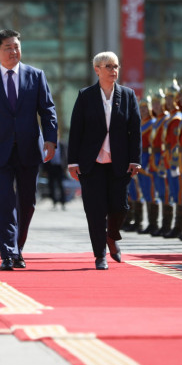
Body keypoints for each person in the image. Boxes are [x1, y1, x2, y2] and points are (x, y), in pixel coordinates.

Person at [0, 29, 57, 271]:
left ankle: (17, 247)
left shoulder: (36, 76)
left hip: (29, 149)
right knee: (5, 201)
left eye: (16, 46)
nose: (13, 51)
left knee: (27, 203)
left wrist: (51, 140)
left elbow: (47, 110)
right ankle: (8, 253)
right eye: (8, 47)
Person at [67, 51, 141, 270]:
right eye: (108, 66)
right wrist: (73, 162)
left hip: (119, 162)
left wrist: (135, 159)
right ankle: (100, 255)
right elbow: (76, 130)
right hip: (91, 164)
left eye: (116, 66)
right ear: (97, 70)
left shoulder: (127, 95)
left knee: (121, 206)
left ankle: (112, 235)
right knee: (95, 211)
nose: (113, 70)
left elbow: (135, 131)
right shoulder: (85, 96)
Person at [43, 133, 67, 210]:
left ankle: (63, 203)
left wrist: (65, 167)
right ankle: (54, 202)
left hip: (59, 167)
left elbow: (65, 156)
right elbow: (45, 156)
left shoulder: (62, 144)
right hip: (51, 167)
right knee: (51, 186)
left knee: (61, 185)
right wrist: (45, 170)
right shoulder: (48, 144)